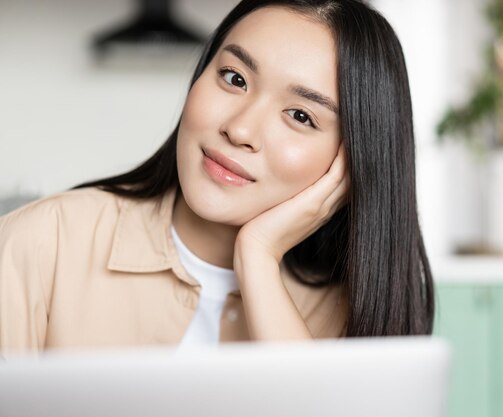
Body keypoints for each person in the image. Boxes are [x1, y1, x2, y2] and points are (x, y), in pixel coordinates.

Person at [0, 0, 434, 355]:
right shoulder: (40, 245)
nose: (240, 130)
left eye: (300, 115)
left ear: (352, 160)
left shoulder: (354, 310)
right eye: (234, 78)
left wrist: (258, 256)